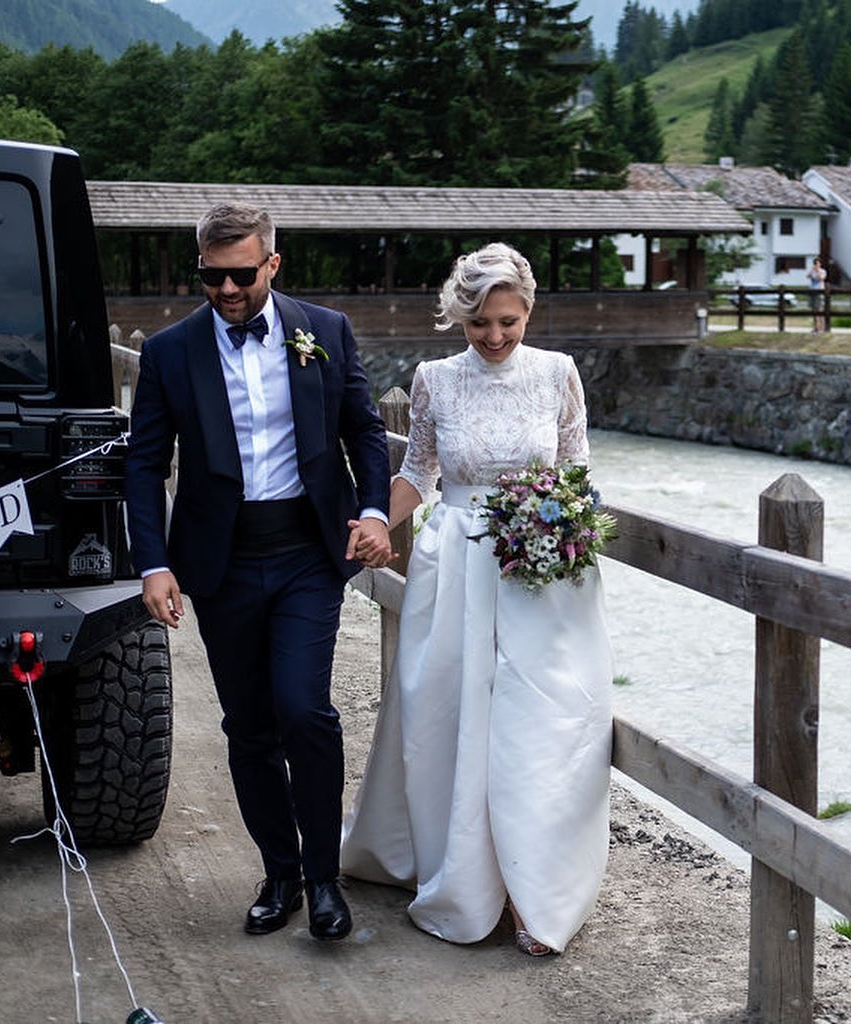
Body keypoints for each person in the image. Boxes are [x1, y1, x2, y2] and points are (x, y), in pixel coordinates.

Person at [125, 202, 393, 942]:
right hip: (223, 561)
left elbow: (364, 431)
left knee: (303, 710)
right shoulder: (171, 352)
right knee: (248, 725)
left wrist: (375, 512)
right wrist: (153, 563)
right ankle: (281, 874)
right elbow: (144, 465)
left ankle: (324, 878)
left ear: (272, 264)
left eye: (241, 275)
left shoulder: (325, 331)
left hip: (308, 551)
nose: (226, 290)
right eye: (211, 277)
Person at [340, 243, 614, 957]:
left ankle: (531, 893)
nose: (494, 337)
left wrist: (565, 535)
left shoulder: (557, 373)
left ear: (528, 313)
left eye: (508, 323)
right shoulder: (435, 379)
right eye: (480, 324)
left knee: (537, 725)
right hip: (456, 564)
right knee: (448, 717)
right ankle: (461, 875)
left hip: (538, 573)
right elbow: (418, 473)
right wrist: (377, 522)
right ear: (459, 318)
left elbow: (577, 474)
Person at [808, 256, 827, 332]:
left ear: (820, 264)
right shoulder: (812, 271)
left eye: (817, 263)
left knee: (820, 310)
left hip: (820, 291)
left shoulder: (823, 271)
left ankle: (822, 327)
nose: (816, 265)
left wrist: (818, 271)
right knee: (814, 310)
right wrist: (812, 270)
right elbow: (808, 276)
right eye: (815, 263)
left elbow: (821, 278)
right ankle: (816, 327)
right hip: (813, 291)